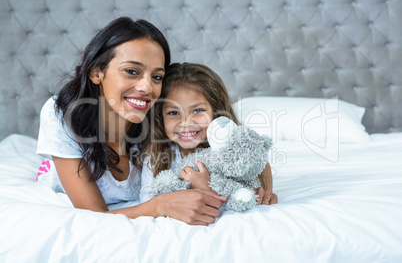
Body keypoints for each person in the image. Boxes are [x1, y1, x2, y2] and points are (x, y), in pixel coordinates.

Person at [36, 17, 226, 226]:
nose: (147, 88)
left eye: (157, 76)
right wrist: (160, 205)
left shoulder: (164, 115)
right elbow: (93, 215)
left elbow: (232, 149)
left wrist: (258, 187)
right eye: (132, 71)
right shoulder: (63, 114)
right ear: (96, 72)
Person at [139, 62, 278, 205]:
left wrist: (265, 191)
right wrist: (202, 189)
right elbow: (148, 199)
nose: (186, 122)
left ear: (216, 112)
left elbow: (260, 161)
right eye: (173, 112)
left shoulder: (228, 146)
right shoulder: (156, 153)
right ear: (160, 117)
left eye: (197, 110)